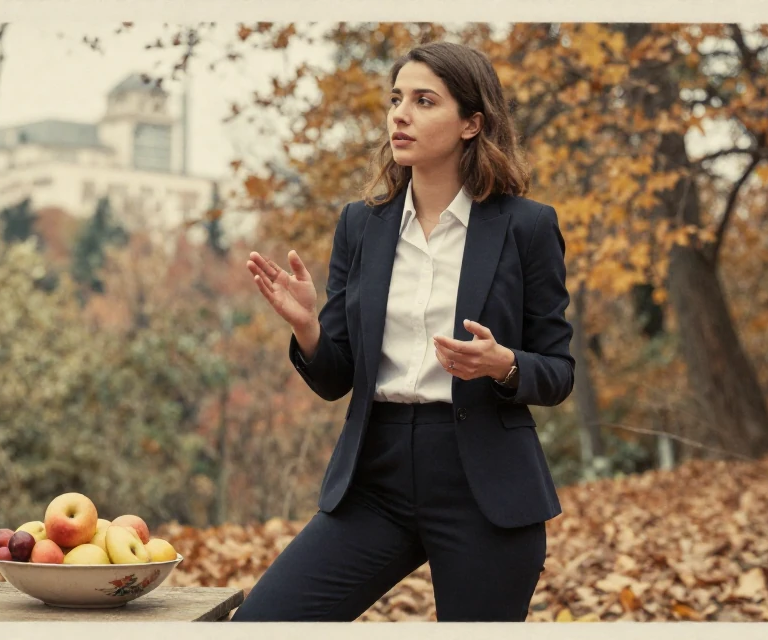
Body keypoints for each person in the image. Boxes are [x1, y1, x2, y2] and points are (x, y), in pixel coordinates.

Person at [235, 41, 575, 622]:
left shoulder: (527, 226)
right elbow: (336, 376)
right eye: (396, 99)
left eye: (424, 101)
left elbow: (559, 371)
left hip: (484, 484)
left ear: (472, 123)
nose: (400, 114)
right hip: (375, 478)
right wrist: (309, 329)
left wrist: (503, 365)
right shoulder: (361, 225)